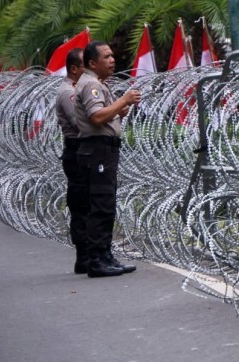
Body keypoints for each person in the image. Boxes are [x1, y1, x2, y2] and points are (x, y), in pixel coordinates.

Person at [74, 41, 141, 277]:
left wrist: (118, 111)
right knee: (101, 205)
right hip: (98, 150)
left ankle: (104, 255)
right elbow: (96, 117)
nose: (112, 60)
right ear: (93, 63)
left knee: (105, 204)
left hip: (101, 149)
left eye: (113, 55)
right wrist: (122, 101)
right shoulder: (92, 84)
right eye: (106, 57)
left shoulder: (95, 83)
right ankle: (97, 261)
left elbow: (104, 115)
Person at [55, 48, 90, 274]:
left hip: (83, 150)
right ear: (75, 69)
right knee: (81, 203)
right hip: (77, 150)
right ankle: (84, 255)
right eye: (85, 65)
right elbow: (81, 123)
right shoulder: (68, 92)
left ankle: (91, 253)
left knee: (88, 201)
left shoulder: (78, 90)